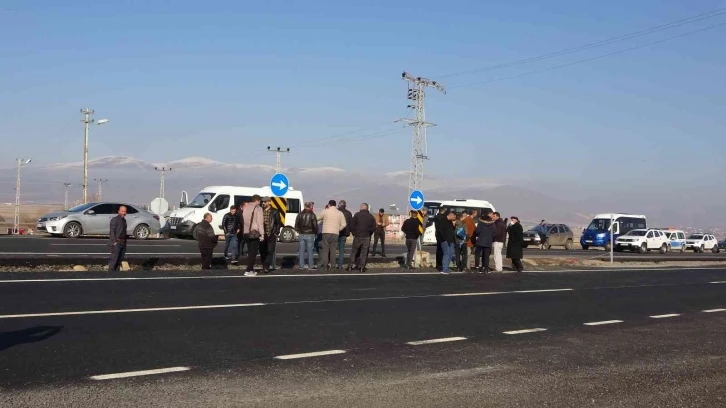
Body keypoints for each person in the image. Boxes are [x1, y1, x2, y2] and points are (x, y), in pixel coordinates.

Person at [317, 200, 346, 272]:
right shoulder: (340, 213)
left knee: (325, 250)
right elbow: (344, 224)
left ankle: (325, 265)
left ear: (329, 205)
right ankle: (333, 266)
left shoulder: (325, 211)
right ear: (335, 205)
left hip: (326, 232)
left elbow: (317, 218)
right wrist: (338, 229)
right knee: (333, 250)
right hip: (335, 233)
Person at [348, 203, 376, 272]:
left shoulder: (357, 215)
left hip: (358, 236)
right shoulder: (371, 217)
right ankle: (362, 267)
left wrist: (354, 233)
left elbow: (352, 225)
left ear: (362, 207)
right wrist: (369, 234)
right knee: (364, 252)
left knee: (354, 251)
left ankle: (350, 266)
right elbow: (373, 228)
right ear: (367, 208)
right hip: (366, 236)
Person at [259, 197, 282, 274]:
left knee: (270, 251)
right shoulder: (260, 211)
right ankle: (264, 266)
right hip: (262, 234)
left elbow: (278, 223)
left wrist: (276, 232)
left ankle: (266, 266)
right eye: (262, 202)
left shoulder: (275, 211)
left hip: (271, 234)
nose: (263, 203)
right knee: (262, 251)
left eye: (265, 202)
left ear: (269, 202)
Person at [242, 195, 264, 276]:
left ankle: (250, 269)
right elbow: (260, 223)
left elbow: (244, 219)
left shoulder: (246, 207)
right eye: (260, 201)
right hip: (254, 233)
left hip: (246, 232)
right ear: (257, 200)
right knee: (253, 252)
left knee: (250, 251)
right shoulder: (258, 208)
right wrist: (262, 234)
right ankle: (249, 270)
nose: (260, 202)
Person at [294, 201, 317, 270]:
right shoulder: (312, 215)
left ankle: (301, 265)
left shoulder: (300, 214)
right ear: (310, 206)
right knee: (310, 251)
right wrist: (314, 233)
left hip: (301, 234)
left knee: (301, 251)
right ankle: (311, 265)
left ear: (304, 206)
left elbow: (296, 224)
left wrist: (298, 231)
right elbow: (315, 226)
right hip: (310, 234)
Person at [108, 205, 128, 272]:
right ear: (118, 211)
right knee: (114, 259)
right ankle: (110, 274)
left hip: (123, 242)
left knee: (120, 259)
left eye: (125, 211)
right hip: (117, 242)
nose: (123, 213)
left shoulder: (124, 220)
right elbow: (112, 231)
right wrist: (114, 242)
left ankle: (116, 274)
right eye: (122, 211)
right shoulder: (115, 219)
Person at [337, 200, 354, 270]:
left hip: (336, 232)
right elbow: (351, 224)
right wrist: (350, 231)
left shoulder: (336, 212)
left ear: (339, 205)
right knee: (341, 249)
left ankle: (330, 263)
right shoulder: (349, 213)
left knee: (331, 248)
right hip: (344, 233)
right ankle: (340, 265)